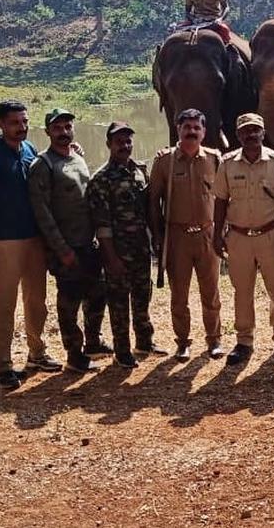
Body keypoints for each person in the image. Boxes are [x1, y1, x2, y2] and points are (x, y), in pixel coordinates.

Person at [0, 100, 59, 391]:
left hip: (34, 237)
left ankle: (37, 353)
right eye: (14, 122)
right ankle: (2, 364)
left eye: (24, 122)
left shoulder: (30, 150)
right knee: (2, 304)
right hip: (5, 240)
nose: (21, 127)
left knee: (36, 300)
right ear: (0, 124)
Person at [213, 113, 274, 364]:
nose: (250, 135)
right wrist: (217, 233)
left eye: (255, 130)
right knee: (242, 292)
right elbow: (220, 200)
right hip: (239, 237)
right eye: (245, 131)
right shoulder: (227, 163)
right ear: (238, 135)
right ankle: (243, 342)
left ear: (263, 133)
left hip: (272, 234)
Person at [28, 108, 110, 373]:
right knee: (69, 302)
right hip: (66, 248)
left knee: (97, 294)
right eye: (57, 128)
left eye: (67, 127)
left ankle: (93, 342)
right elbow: (42, 213)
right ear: (47, 132)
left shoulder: (77, 157)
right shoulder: (42, 165)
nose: (63, 133)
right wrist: (61, 249)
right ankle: (74, 355)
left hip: (88, 244)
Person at [149, 108, 224, 361]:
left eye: (196, 128)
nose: (191, 132)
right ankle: (182, 342)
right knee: (178, 295)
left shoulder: (215, 159)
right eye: (186, 127)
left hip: (207, 234)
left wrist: (222, 233)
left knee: (211, 293)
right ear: (177, 129)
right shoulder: (164, 161)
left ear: (204, 132)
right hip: (177, 236)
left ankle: (214, 340)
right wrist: (159, 238)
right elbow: (153, 202)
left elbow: (225, 199)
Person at [88, 122, 164, 368]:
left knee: (143, 296)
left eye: (128, 141)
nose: (125, 146)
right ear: (109, 144)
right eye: (119, 142)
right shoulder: (101, 179)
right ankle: (122, 351)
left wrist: (156, 240)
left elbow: (149, 209)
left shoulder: (139, 171)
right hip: (117, 252)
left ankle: (144, 341)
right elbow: (101, 224)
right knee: (119, 303)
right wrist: (110, 258)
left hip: (141, 248)